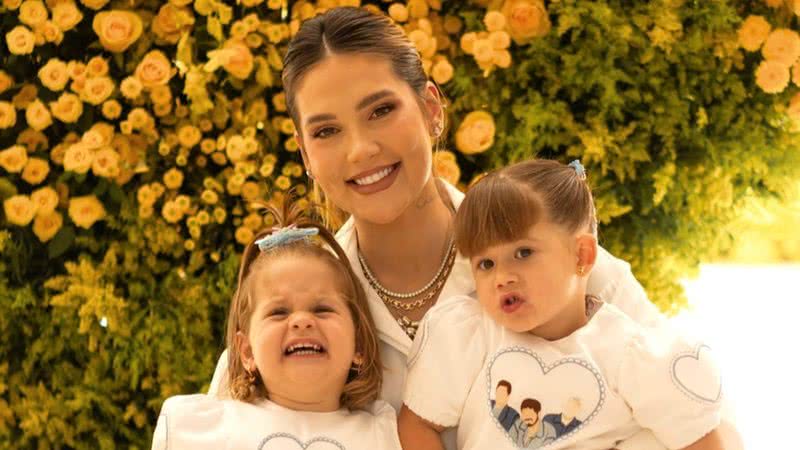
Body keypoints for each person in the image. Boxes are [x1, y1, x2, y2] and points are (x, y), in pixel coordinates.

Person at [208, 6, 741, 449]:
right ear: (304, 153)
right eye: (326, 130)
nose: (360, 149)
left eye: (381, 111)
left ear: (431, 108)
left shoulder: (558, 261)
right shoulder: (293, 305)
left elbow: (704, 425)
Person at [398, 159, 725, 450]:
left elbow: (703, 438)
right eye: (485, 264)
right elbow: (417, 423)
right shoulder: (471, 335)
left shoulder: (627, 355)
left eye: (523, 253)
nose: (502, 277)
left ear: (582, 255)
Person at [153, 203, 400, 449]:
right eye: (278, 312)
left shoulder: (379, 435)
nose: (302, 321)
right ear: (247, 352)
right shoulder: (206, 429)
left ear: (358, 344)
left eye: (322, 309)